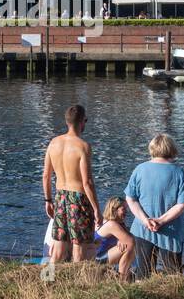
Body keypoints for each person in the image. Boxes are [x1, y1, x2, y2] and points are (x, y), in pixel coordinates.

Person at [125, 134, 184, 277]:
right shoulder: (178, 172)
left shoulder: (140, 169)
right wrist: (161, 221)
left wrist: (145, 220)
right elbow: (183, 204)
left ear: (152, 148)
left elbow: (130, 199)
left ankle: (144, 298)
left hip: (143, 229)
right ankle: (174, 297)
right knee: (173, 273)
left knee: (143, 271)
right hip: (171, 230)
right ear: (171, 149)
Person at [42, 104, 102, 264]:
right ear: (82, 121)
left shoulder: (53, 143)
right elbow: (87, 182)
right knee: (79, 252)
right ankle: (78, 286)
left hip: (60, 197)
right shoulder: (83, 146)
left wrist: (48, 200)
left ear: (67, 122)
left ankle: (46, 282)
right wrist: (97, 209)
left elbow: (46, 175)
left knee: (57, 253)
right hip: (79, 200)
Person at [96, 196, 136, 280]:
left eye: (126, 208)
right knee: (129, 246)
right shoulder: (111, 224)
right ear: (114, 209)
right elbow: (131, 241)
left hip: (102, 256)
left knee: (129, 243)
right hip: (96, 259)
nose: (126, 211)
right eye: (123, 209)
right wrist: (123, 239)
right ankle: (123, 278)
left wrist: (121, 239)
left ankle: (124, 275)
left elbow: (132, 236)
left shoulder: (118, 223)